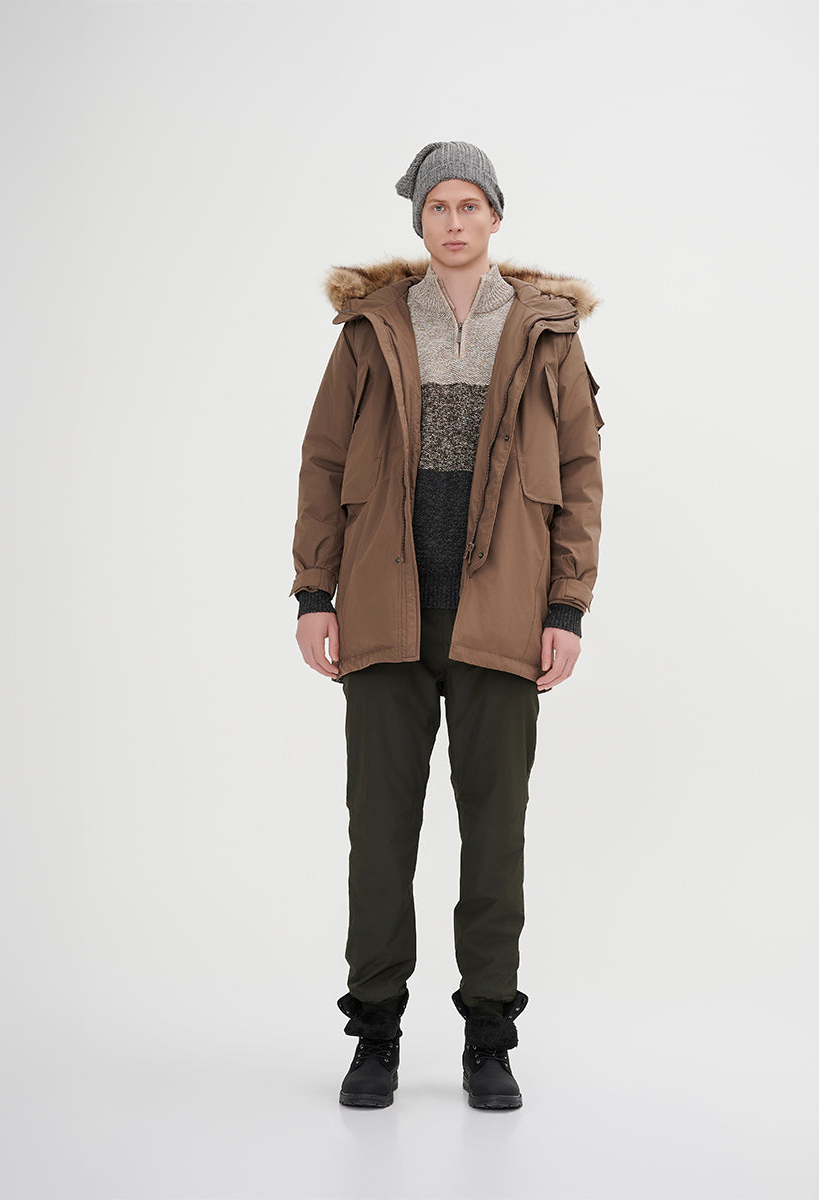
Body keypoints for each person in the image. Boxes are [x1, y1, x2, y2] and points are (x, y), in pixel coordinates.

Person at [290, 141, 604, 1110]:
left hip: (503, 617)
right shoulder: (372, 327)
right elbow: (324, 460)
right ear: (419, 220)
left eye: (470, 205)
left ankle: (489, 1039)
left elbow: (580, 476)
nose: (454, 222)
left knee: (494, 838)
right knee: (380, 835)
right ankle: (375, 1035)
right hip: (384, 612)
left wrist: (565, 607)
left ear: (495, 216)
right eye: (438, 207)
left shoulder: (546, 332)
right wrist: (314, 593)